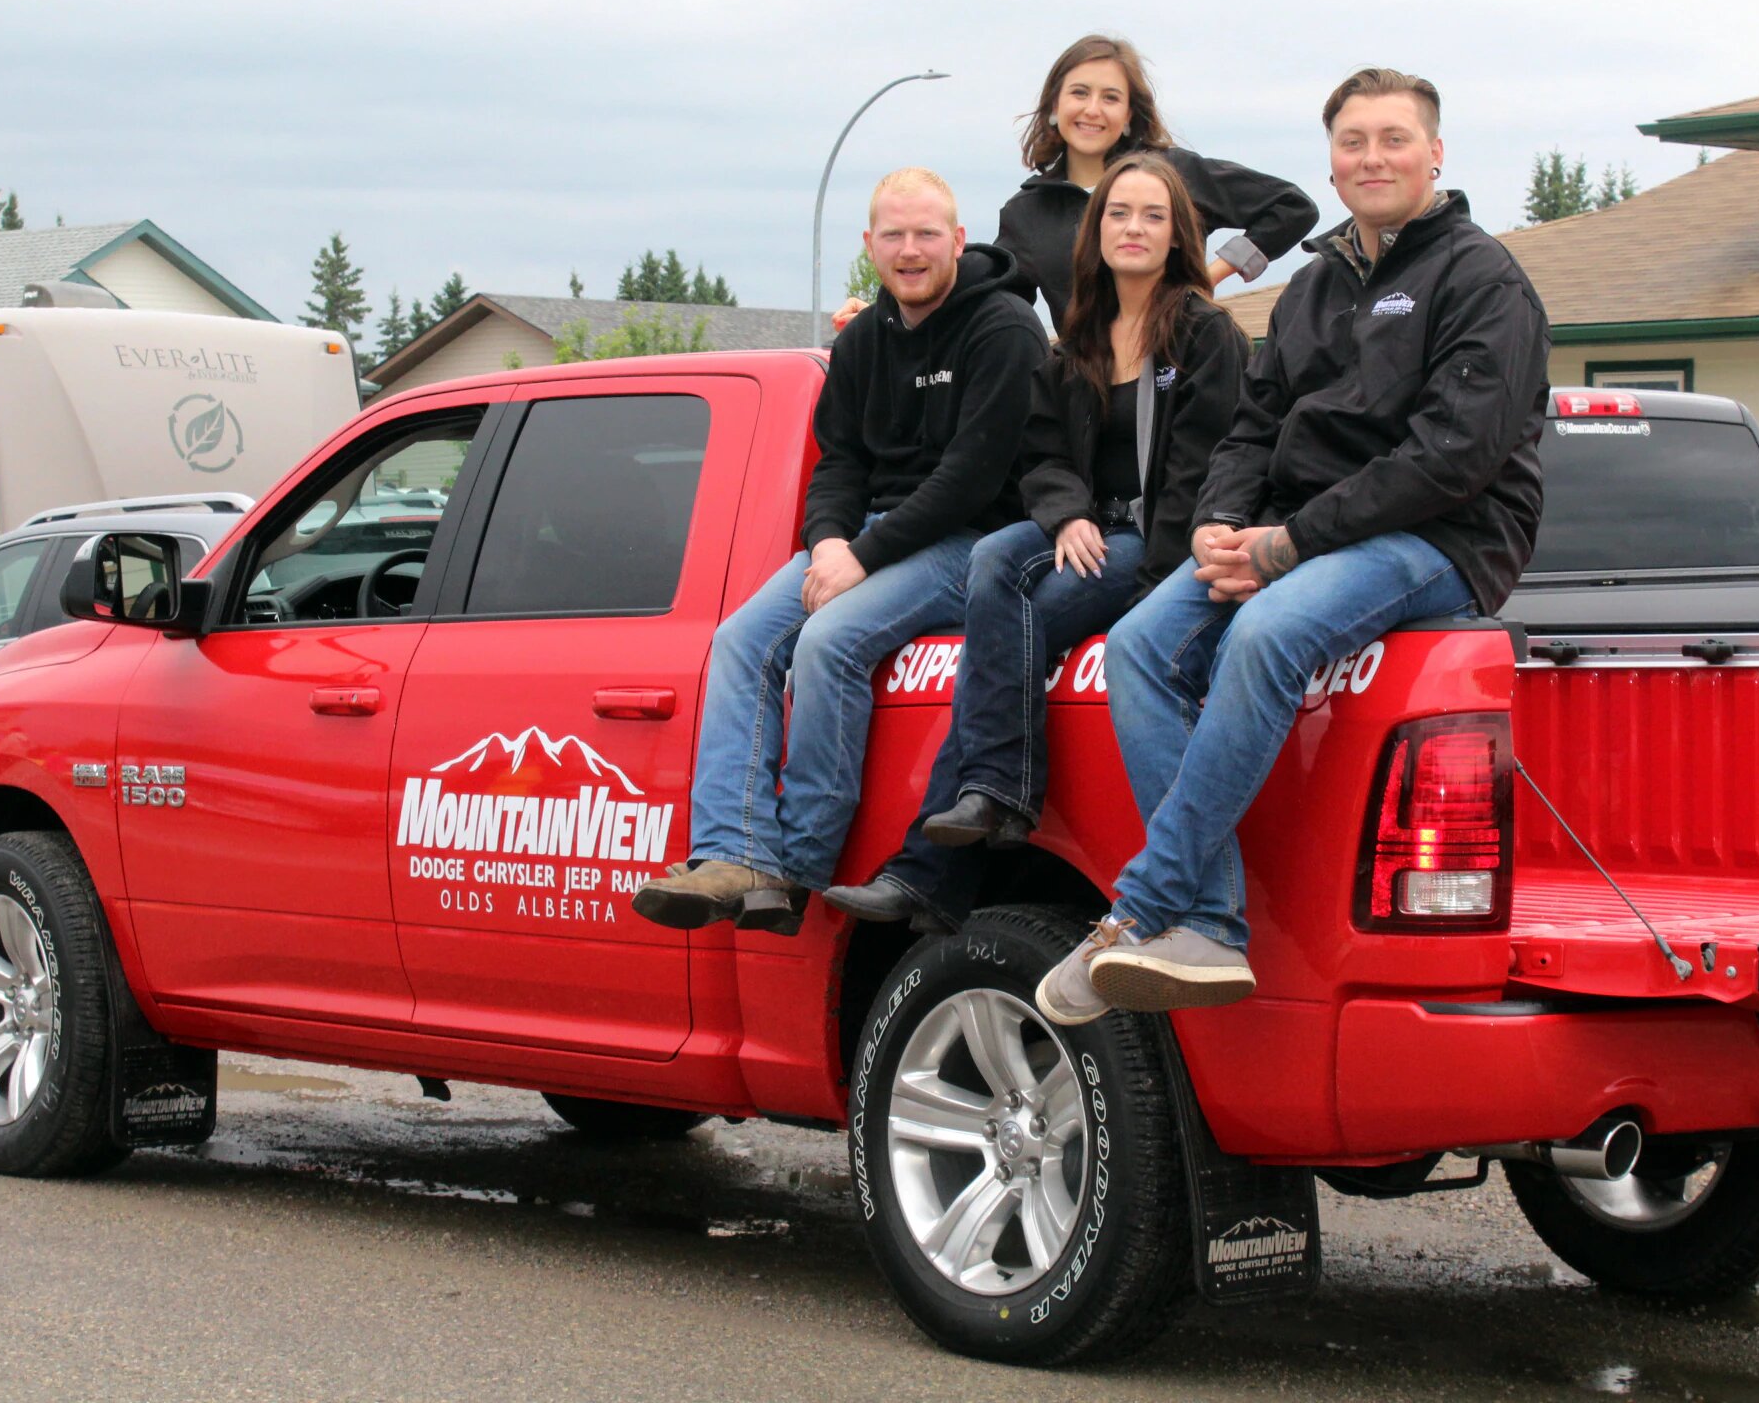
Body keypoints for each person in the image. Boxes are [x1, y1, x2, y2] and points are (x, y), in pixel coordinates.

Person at [1034, 67, 1551, 1025]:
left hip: (1441, 535)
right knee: (1140, 646)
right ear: (1332, 158)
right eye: (1353, 142)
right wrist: (1221, 528)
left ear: (1435, 153)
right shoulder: (1313, 288)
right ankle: (1211, 924)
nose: (1372, 159)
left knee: (1266, 636)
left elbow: (1451, 458)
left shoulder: (1482, 279)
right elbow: (1250, 428)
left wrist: (1288, 546)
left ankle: (1146, 906)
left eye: (1394, 139)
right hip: (1294, 535)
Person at [823, 152, 1247, 931]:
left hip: (1154, 543)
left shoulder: (1204, 334)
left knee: (1000, 646)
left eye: (1154, 215)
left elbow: (1206, 471)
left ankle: (938, 857)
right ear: (1096, 231)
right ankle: (993, 797)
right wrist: (1065, 514)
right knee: (993, 564)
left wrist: (1160, 585)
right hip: (1084, 529)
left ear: (1178, 232)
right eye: (1119, 213)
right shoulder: (1079, 333)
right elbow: (1042, 453)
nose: (1134, 228)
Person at [634, 168, 1045, 932]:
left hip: (971, 538)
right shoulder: (863, 340)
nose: (910, 250)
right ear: (870, 245)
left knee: (830, 640)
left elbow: (971, 476)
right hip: (866, 539)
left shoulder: (1003, 329)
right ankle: (734, 852)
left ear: (958, 240)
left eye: (927, 234)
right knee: (740, 640)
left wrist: (862, 555)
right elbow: (839, 462)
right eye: (894, 235)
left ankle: (795, 867)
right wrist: (828, 541)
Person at [831, 34, 1318, 332]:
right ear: (1053, 106)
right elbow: (981, 287)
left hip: (1184, 380)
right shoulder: (1026, 214)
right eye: (1079, 93)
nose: (1092, 110)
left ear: (1129, 115)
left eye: (1110, 98)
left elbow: (1292, 208)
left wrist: (1205, 277)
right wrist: (882, 311)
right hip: (1090, 396)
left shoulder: (1174, 175)